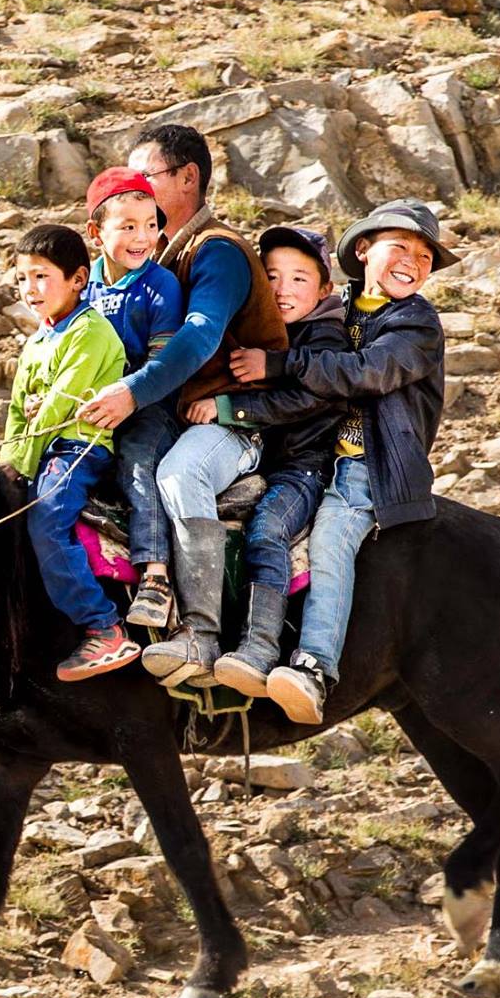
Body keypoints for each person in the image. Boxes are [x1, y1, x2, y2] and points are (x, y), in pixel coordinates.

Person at [227, 198, 455, 724]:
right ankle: (239, 645)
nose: (414, 262)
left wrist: (279, 363)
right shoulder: (338, 307)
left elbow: (366, 372)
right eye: (402, 247)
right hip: (313, 459)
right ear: (363, 250)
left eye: (425, 256)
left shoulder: (417, 323)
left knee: (331, 538)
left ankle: (313, 666)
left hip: (368, 465)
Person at [81, 124, 287, 681]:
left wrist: (131, 393)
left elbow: (198, 340)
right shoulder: (153, 261)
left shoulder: (217, 251)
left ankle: (201, 633)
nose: (135, 192)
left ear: (187, 178)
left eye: (144, 180)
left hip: (231, 420)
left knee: (177, 474)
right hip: (177, 414)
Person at [205, 227, 351, 695]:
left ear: (325, 289)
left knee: (268, 529)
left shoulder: (325, 338)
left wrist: (229, 409)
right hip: (256, 464)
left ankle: (260, 645)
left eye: (299, 279)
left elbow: (309, 400)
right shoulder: (259, 331)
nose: (283, 290)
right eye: (271, 277)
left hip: (300, 467)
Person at [1, 223, 139, 682]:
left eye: (41, 276)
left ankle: (104, 625)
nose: (30, 288)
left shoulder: (91, 332)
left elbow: (61, 406)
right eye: (22, 278)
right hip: (40, 447)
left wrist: (21, 462)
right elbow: (19, 411)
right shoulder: (36, 341)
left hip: (80, 446)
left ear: (79, 279)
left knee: (47, 517)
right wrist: (9, 462)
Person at [79, 168, 187, 628]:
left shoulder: (160, 286)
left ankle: (156, 575)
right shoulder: (85, 287)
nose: (143, 237)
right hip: (95, 402)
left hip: (153, 404)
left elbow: (163, 362)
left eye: (151, 225)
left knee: (139, 458)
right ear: (95, 232)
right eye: (127, 227)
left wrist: (127, 394)